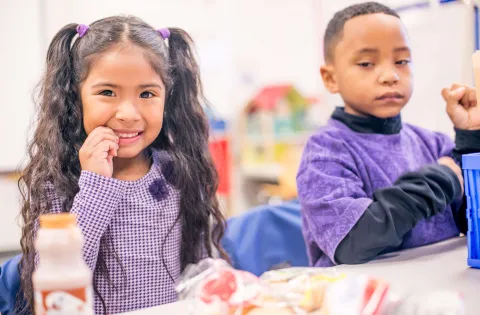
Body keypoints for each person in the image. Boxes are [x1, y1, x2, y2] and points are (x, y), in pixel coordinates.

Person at [17, 16, 227, 314]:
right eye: (107, 92)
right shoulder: (61, 179)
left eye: (147, 94)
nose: (128, 113)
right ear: (76, 99)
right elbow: (60, 290)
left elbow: (202, 269)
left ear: (167, 99)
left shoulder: (178, 172)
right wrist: (95, 184)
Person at [297, 2, 480, 267]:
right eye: (367, 63)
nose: (390, 75)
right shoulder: (325, 152)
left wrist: (470, 139)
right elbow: (353, 243)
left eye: (402, 61)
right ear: (330, 78)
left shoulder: (434, 143)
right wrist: (443, 177)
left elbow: (473, 223)